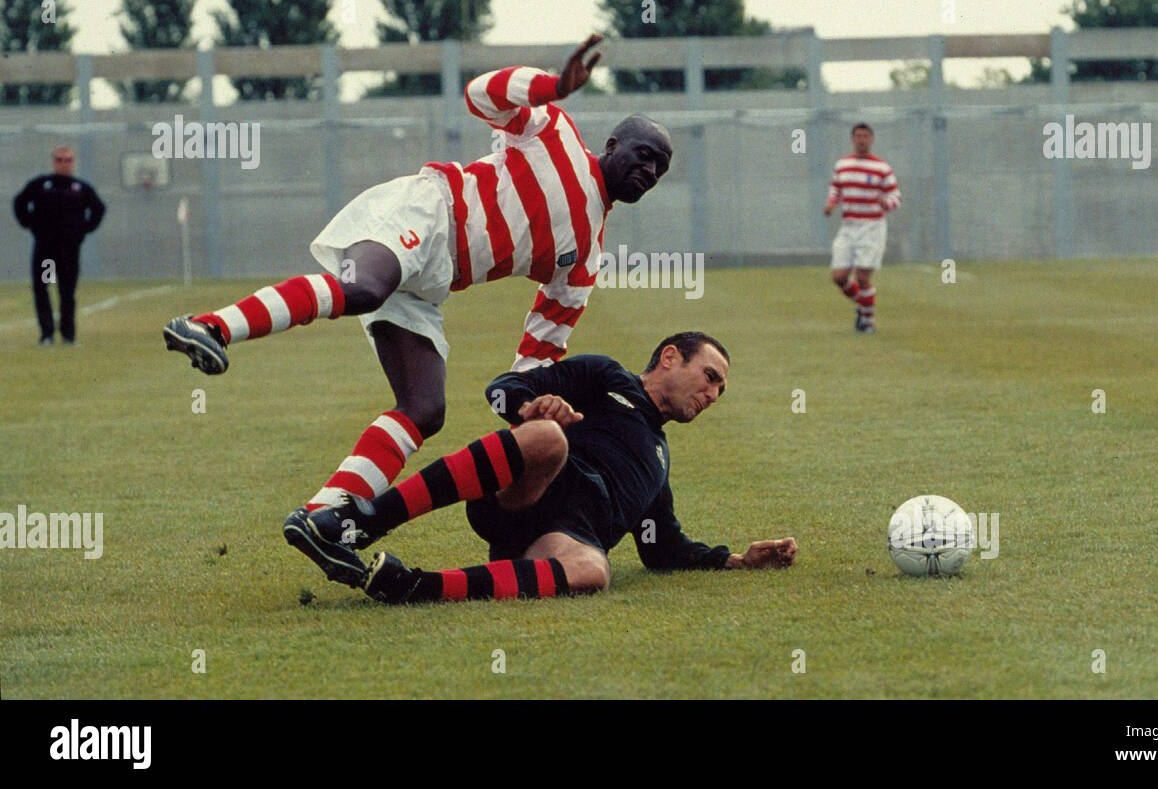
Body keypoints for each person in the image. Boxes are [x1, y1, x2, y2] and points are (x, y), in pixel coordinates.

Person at [161, 34, 676, 534]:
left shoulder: (586, 260)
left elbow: (540, 353)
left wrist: (533, 402)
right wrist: (551, 87)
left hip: (434, 281)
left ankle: (325, 515)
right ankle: (210, 326)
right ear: (612, 145)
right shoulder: (555, 132)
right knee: (363, 288)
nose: (649, 170)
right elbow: (480, 93)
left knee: (426, 409)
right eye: (643, 154)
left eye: (660, 168)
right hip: (428, 211)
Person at [287, 331, 797, 601]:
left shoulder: (659, 460)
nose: (712, 394)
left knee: (595, 571)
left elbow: (662, 551)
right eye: (709, 377)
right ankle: (356, 523)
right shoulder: (607, 377)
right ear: (669, 357)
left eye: (720, 391)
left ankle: (412, 587)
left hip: (560, 538)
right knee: (548, 437)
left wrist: (737, 561)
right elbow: (505, 387)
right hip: (527, 488)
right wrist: (526, 409)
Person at [12, 146, 106, 345]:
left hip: (68, 251)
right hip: (47, 252)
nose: (64, 163)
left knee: (67, 291)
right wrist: (30, 224)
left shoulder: (80, 188)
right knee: (43, 288)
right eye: (60, 159)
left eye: (68, 160)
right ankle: (46, 334)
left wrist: (83, 229)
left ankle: (68, 335)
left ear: (73, 162)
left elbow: (98, 208)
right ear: (54, 161)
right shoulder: (41, 185)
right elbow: (20, 202)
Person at [823, 123, 900, 332]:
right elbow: (836, 189)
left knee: (863, 277)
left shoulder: (881, 168)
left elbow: (895, 197)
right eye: (858, 136)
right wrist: (831, 203)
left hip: (872, 226)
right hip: (848, 226)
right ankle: (865, 306)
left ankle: (867, 322)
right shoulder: (842, 165)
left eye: (866, 136)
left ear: (872, 139)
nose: (862, 140)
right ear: (852, 139)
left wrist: (887, 203)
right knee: (838, 276)